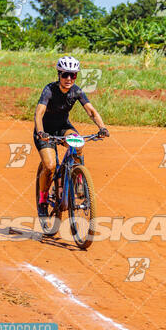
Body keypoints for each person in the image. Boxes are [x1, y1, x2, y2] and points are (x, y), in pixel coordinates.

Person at [34, 56, 109, 217]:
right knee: (50, 166)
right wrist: (41, 132)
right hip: (45, 130)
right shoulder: (49, 90)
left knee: (79, 143)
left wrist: (102, 127)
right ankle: (43, 199)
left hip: (63, 128)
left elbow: (91, 111)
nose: (69, 79)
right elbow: (39, 113)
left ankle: (79, 178)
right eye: (65, 74)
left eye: (73, 75)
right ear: (59, 74)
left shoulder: (76, 91)